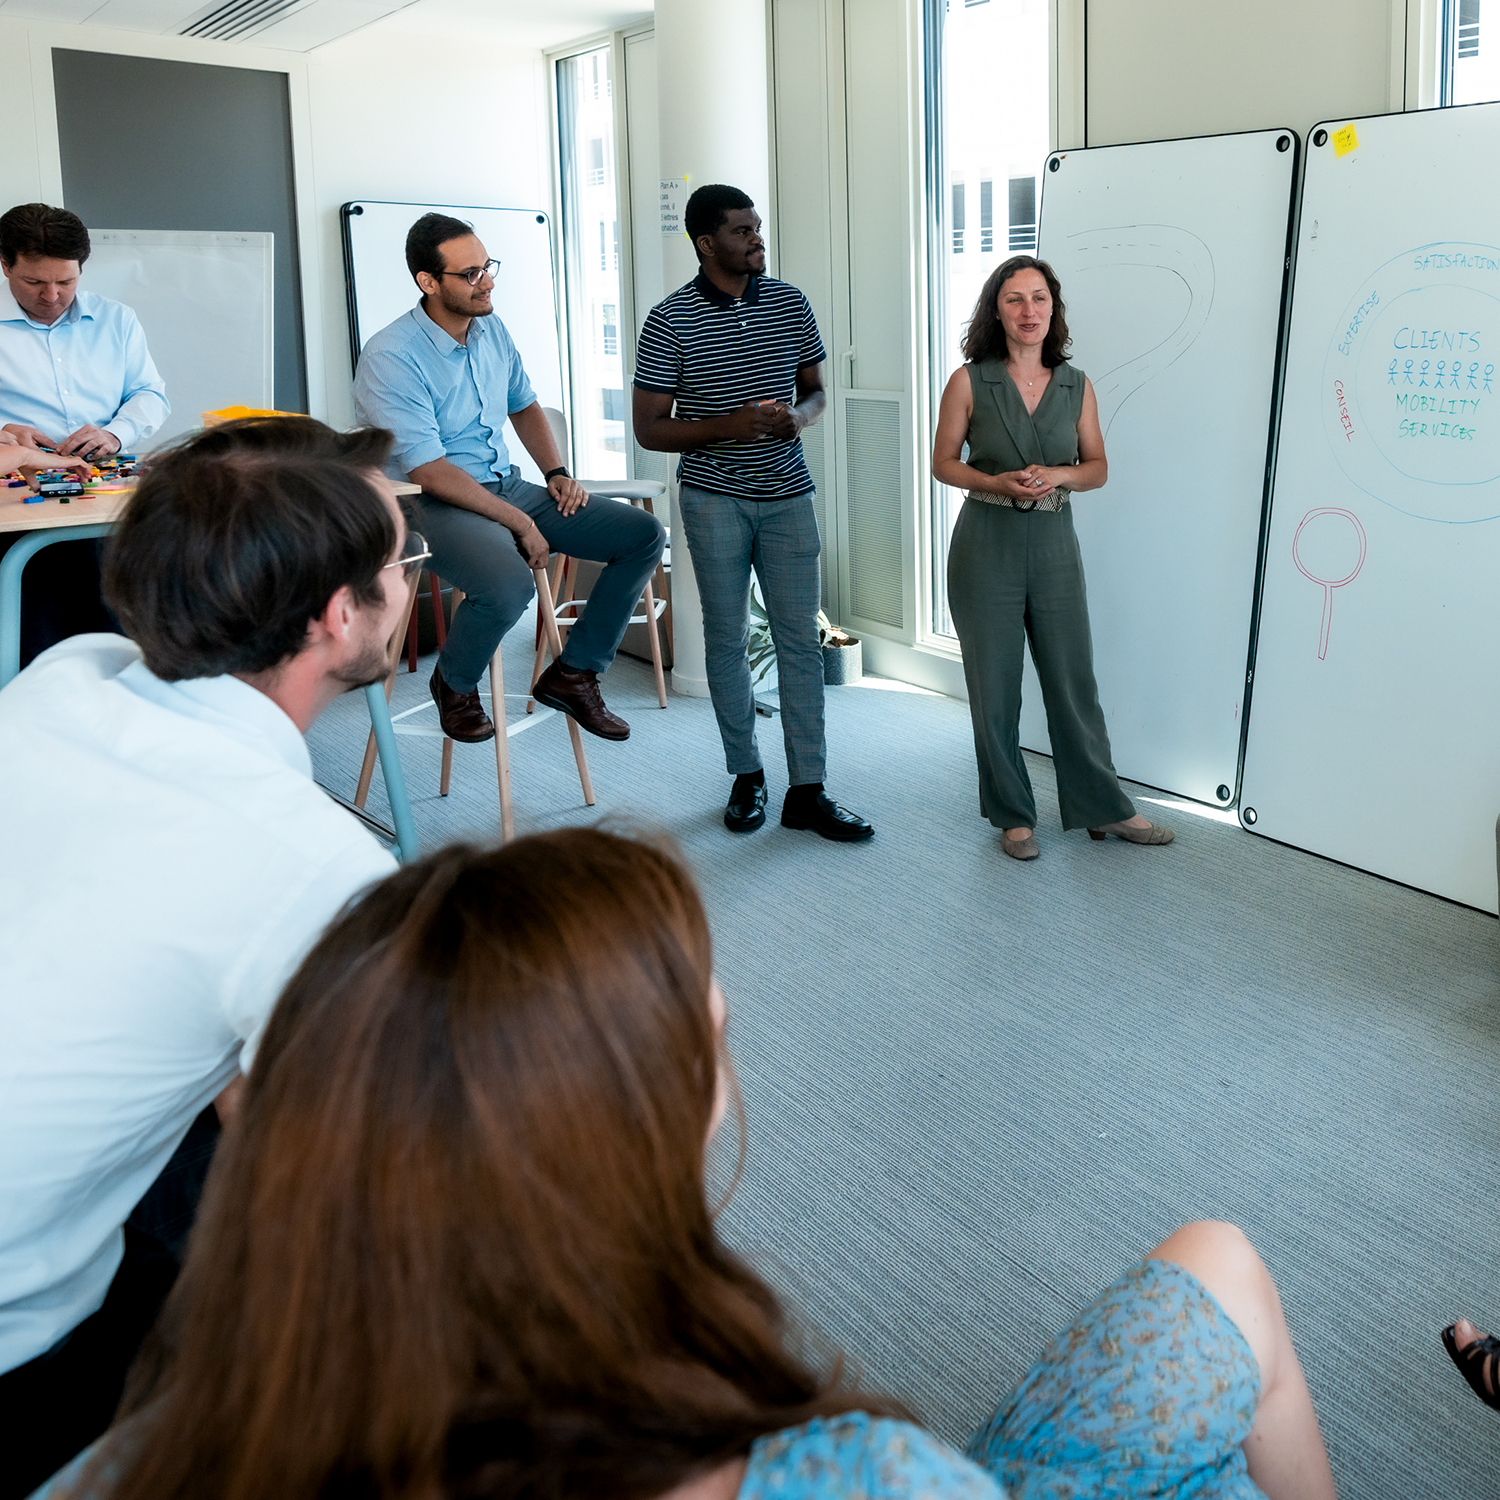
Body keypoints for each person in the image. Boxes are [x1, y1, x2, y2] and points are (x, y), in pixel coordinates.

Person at [35, 828, 1336, 1500]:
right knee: (1221, 1282)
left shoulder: (128, 1465)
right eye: (707, 1029)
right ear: (644, 1123)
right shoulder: (848, 1476)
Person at [0, 416, 414, 1499]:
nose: (410, 581)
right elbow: (350, 1173)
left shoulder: (66, 674)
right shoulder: (313, 869)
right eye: (400, 563)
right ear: (338, 618)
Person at [353, 213, 664, 745]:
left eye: (488, 266)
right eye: (471, 273)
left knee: (641, 536)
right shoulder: (392, 355)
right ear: (429, 282)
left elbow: (524, 405)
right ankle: (453, 685)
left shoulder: (491, 327)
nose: (488, 281)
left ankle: (574, 673)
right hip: (428, 501)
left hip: (500, 484)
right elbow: (428, 469)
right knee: (507, 584)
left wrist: (557, 472)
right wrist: (520, 520)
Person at [634, 184, 873, 843]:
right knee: (726, 637)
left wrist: (798, 417)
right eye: (743, 232)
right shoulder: (669, 321)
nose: (757, 240)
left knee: (800, 640)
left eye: (758, 228)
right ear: (707, 245)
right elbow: (650, 430)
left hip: (789, 496)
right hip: (713, 501)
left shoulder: (790, 302)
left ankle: (808, 790)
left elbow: (818, 389)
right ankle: (747, 774)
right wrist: (728, 425)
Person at [931, 255, 1173, 861]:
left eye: (1039, 298)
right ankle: (1013, 816)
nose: (1028, 311)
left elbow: (1097, 469)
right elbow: (944, 463)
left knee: (1073, 684)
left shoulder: (1076, 384)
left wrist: (1057, 474)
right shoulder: (968, 380)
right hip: (985, 547)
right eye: (1014, 299)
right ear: (996, 309)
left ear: (1053, 308)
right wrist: (996, 483)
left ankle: (1103, 809)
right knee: (995, 688)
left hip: (1055, 548)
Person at [0, 202, 169, 665]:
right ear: (5, 265)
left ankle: (127, 683)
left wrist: (115, 433)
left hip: (105, 475)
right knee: (43, 592)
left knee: (131, 580)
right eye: (35, 282)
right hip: (18, 487)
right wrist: (3, 431)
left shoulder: (116, 319)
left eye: (67, 281)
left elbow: (150, 393)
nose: (52, 295)